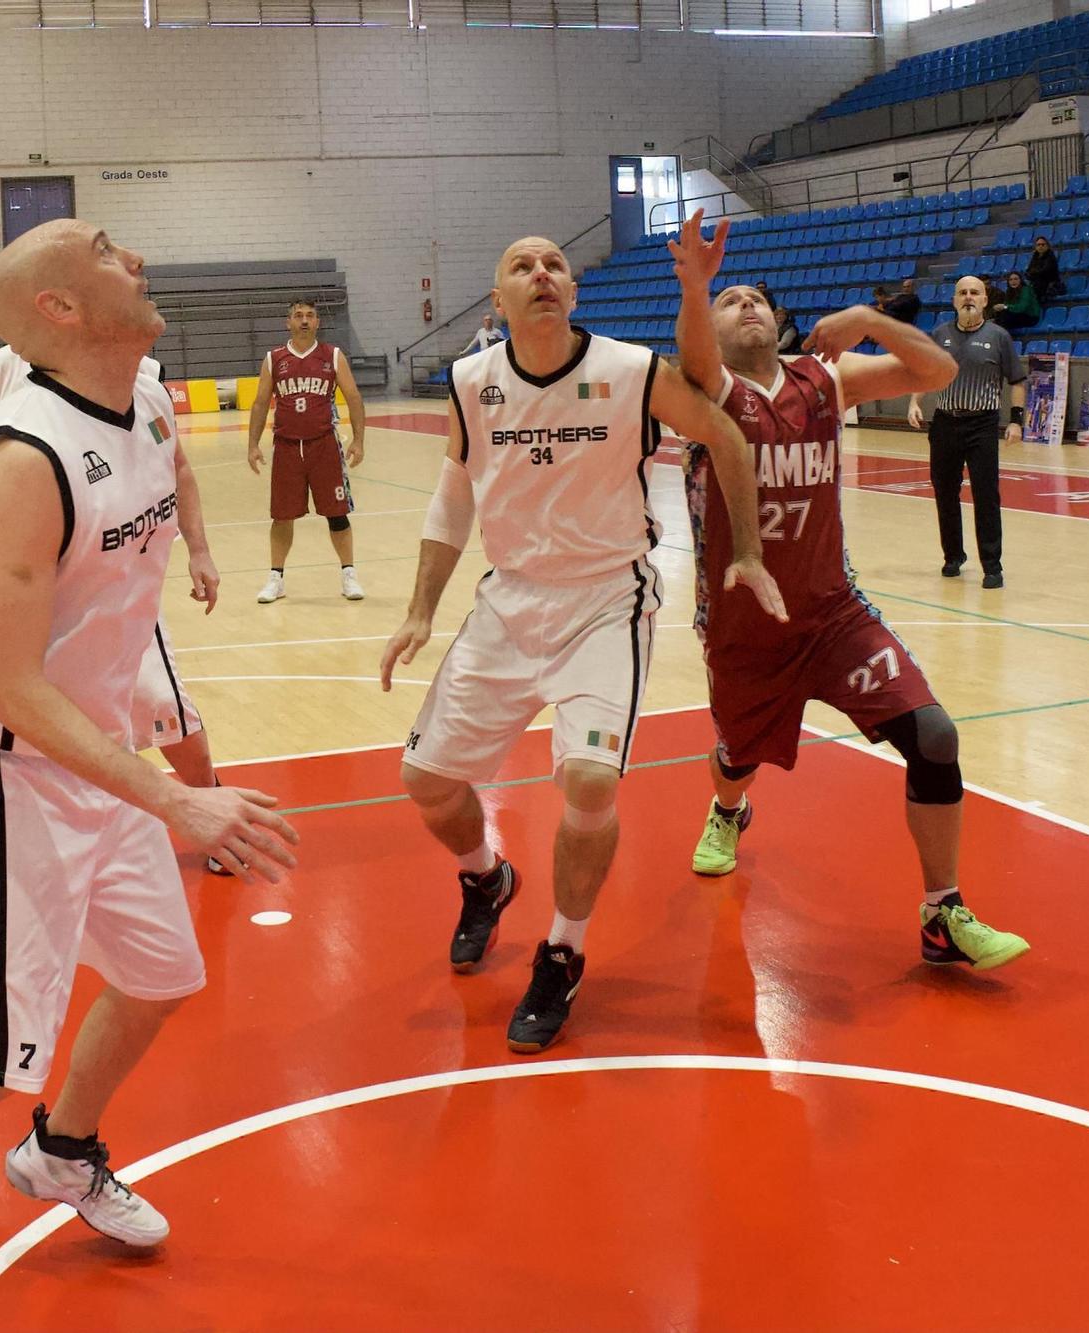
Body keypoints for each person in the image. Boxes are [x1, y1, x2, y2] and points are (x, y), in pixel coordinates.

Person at [0, 220, 299, 1333]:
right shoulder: (18, 457)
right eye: (102, 247)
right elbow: (12, 689)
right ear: (61, 310)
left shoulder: (147, 402)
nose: (133, 251)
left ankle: (63, 1150)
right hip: (5, 771)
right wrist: (177, 795)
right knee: (0, 1046)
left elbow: (158, 514)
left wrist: (149, 760)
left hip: (94, 754)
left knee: (161, 971)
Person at [377, 221, 785, 1054]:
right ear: (499, 300)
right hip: (510, 600)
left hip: (607, 599)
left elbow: (727, 435)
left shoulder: (629, 371)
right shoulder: (470, 381)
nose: (542, 273)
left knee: (593, 780)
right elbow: (454, 495)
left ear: (573, 290)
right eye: (521, 264)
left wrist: (745, 549)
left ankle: (562, 948)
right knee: (425, 782)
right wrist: (421, 605)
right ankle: (487, 879)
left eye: (555, 263)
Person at [667, 214, 1031, 972]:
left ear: (780, 320)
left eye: (755, 298)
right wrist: (697, 285)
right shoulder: (702, 389)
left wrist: (871, 319)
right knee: (735, 760)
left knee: (935, 736)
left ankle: (943, 911)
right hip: (745, 628)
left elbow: (936, 373)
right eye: (731, 300)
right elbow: (696, 347)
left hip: (833, 615)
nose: (747, 306)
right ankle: (728, 810)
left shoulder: (822, 380)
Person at [0, 343, 232, 874]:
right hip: (30, 588)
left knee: (166, 709)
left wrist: (198, 548)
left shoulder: (139, 376)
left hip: (114, 589)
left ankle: (212, 808)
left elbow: (179, 469)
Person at [907, 276, 1026, 589]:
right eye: (962, 293)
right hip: (945, 423)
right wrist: (914, 402)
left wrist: (1016, 420)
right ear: (954, 300)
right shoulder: (939, 335)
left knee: (987, 497)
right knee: (945, 494)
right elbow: (925, 372)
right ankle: (953, 556)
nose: (968, 297)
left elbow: (1016, 381)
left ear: (985, 301)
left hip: (982, 425)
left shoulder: (999, 337)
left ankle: (992, 565)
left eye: (975, 292)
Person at [246, 299, 367, 603]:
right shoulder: (274, 358)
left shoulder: (333, 356)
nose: (304, 320)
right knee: (282, 516)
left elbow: (353, 397)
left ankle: (348, 574)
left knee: (337, 514)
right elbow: (260, 403)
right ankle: (276, 578)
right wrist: (252, 445)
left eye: (310, 316)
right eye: (298, 316)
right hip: (287, 447)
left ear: (317, 323)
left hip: (324, 445)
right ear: (288, 322)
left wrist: (358, 440)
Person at [1026, 235, 1064, 299]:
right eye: (1038, 245)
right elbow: (1028, 271)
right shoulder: (1035, 257)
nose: (1040, 246)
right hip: (1037, 283)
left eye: (1043, 244)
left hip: (1049, 284)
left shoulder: (1050, 257)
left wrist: (1034, 272)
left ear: (1047, 246)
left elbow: (1044, 271)